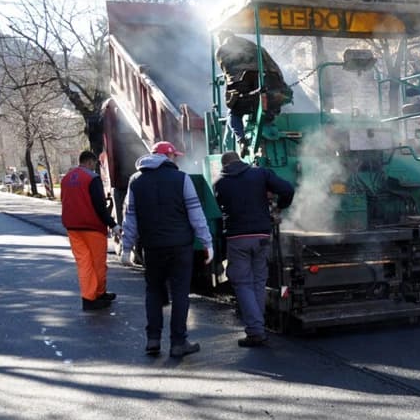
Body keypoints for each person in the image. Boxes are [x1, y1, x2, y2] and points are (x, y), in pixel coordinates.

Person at [119, 141, 214, 359]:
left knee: (153, 291)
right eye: (175, 157)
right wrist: (207, 243)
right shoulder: (182, 179)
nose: (177, 160)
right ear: (168, 157)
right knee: (180, 293)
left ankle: (153, 340)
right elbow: (196, 215)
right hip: (180, 247)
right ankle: (178, 343)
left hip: (152, 247)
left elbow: (130, 217)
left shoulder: (136, 181)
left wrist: (126, 248)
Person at [213, 150, 295, 347]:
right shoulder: (260, 174)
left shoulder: (219, 183)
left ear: (224, 166)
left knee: (242, 283)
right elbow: (287, 189)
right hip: (262, 236)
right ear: (240, 161)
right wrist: (279, 207)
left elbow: (220, 207)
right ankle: (259, 325)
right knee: (258, 281)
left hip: (237, 238)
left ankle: (256, 331)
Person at [60, 150, 118, 312]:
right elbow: (100, 207)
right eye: (95, 164)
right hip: (92, 228)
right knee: (97, 263)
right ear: (91, 162)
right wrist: (113, 224)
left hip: (73, 228)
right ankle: (95, 296)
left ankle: (91, 295)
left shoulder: (66, 179)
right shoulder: (92, 178)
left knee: (84, 263)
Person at [215, 30, 293, 145]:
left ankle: (240, 139)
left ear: (221, 38)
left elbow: (228, 72)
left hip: (247, 89)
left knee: (234, 112)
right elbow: (275, 68)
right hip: (272, 85)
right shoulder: (256, 47)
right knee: (269, 104)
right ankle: (266, 120)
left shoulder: (222, 50)